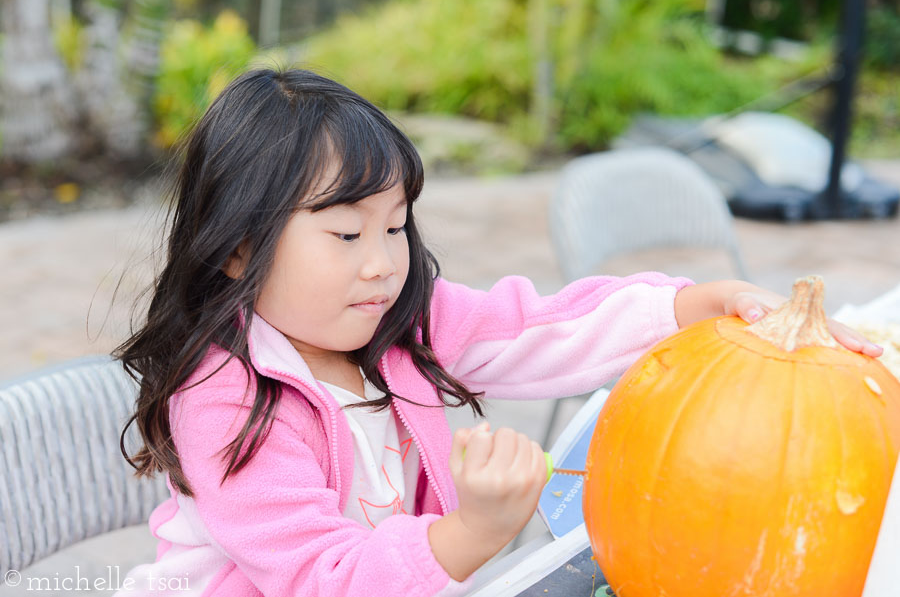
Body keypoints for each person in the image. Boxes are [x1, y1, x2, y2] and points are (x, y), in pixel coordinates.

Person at [113, 67, 881, 597]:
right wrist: (469, 533)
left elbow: (539, 326)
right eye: (347, 236)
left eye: (396, 226)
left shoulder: (398, 322)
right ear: (238, 244)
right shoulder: (225, 400)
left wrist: (688, 307)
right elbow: (322, 575)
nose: (383, 263)